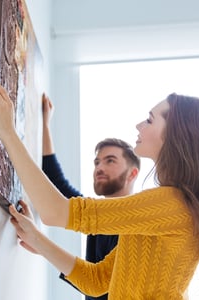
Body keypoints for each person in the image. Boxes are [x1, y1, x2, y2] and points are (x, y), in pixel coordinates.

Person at [0, 81, 199, 300]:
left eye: (149, 120)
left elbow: (55, 212)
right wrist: (37, 238)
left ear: (176, 135)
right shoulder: (167, 207)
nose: (139, 126)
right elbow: (96, 280)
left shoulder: (169, 204)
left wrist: (7, 132)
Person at [40, 93, 140, 300]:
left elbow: (99, 285)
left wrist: (40, 243)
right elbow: (57, 184)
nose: (99, 168)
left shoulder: (137, 224)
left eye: (110, 161)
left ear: (132, 173)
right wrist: (45, 126)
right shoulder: (96, 215)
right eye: (97, 162)